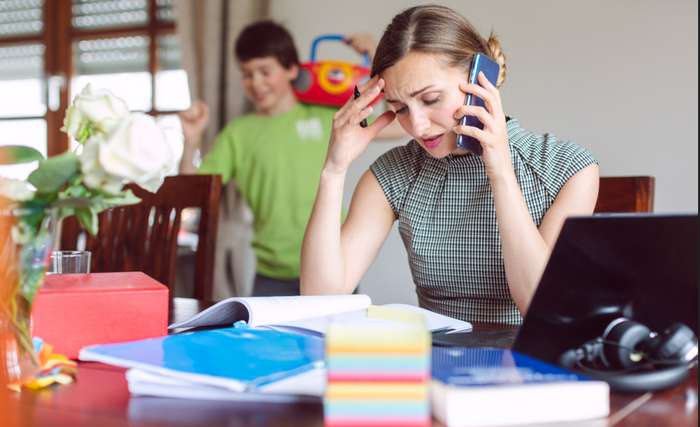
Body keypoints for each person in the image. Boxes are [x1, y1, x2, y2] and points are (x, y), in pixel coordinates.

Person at [300, 5, 600, 324]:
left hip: (527, 363)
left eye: (430, 100)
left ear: (481, 79)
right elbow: (320, 300)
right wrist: (333, 170)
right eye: (400, 108)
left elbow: (540, 308)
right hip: (437, 365)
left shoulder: (569, 168)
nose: (417, 125)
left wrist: (499, 170)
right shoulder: (393, 173)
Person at [179, 21, 400, 296]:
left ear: (292, 70)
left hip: (333, 269)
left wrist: (379, 60)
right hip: (271, 279)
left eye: (265, 71)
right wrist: (191, 141)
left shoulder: (328, 117)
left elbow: (399, 125)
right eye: (247, 74)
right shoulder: (237, 134)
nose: (256, 82)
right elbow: (189, 195)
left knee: (339, 341)